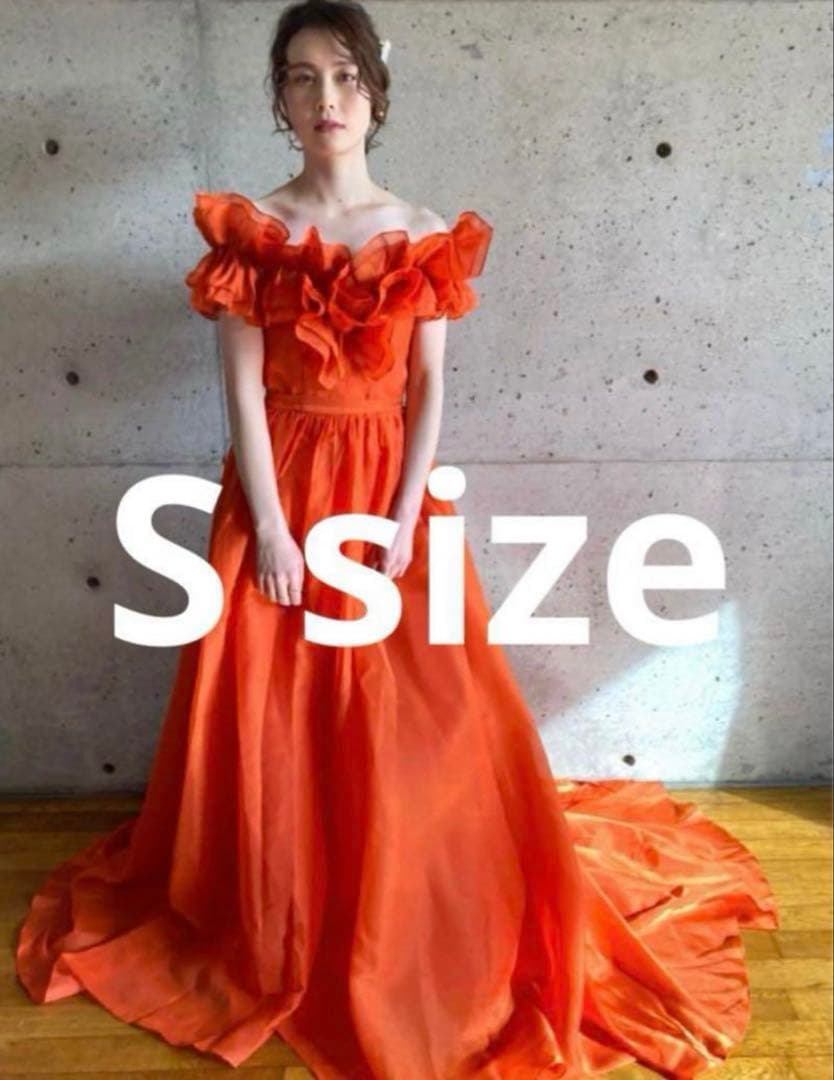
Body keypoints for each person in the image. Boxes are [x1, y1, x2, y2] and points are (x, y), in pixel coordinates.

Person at [14, 1, 780, 1076]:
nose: (323, 98)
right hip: (280, 490)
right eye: (300, 78)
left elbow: (427, 391)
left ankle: (402, 903)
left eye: (342, 76)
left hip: (387, 488)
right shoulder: (253, 232)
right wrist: (270, 527)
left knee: (421, 711)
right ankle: (281, 903)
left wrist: (409, 510)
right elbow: (240, 394)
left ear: (374, 94)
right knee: (268, 708)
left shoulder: (420, 234)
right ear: (280, 100)